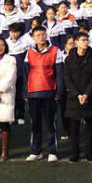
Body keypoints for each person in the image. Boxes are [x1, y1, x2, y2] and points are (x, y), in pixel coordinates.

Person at [23, 26, 62, 162]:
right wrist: (25, 92)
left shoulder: (56, 51)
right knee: (35, 124)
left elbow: (59, 75)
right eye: (37, 35)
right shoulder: (29, 52)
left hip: (49, 92)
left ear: (47, 35)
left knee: (50, 124)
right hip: (33, 93)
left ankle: (52, 151)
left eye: (42, 34)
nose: (40, 37)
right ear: (33, 37)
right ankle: (36, 151)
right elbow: (26, 74)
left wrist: (58, 92)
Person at [62, 31, 92, 162]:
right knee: (74, 128)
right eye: (83, 40)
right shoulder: (68, 59)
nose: (85, 42)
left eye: (86, 40)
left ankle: (89, 152)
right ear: (76, 42)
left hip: (89, 96)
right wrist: (77, 94)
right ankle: (74, 153)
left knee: (90, 127)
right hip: (74, 97)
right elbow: (67, 78)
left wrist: (86, 94)